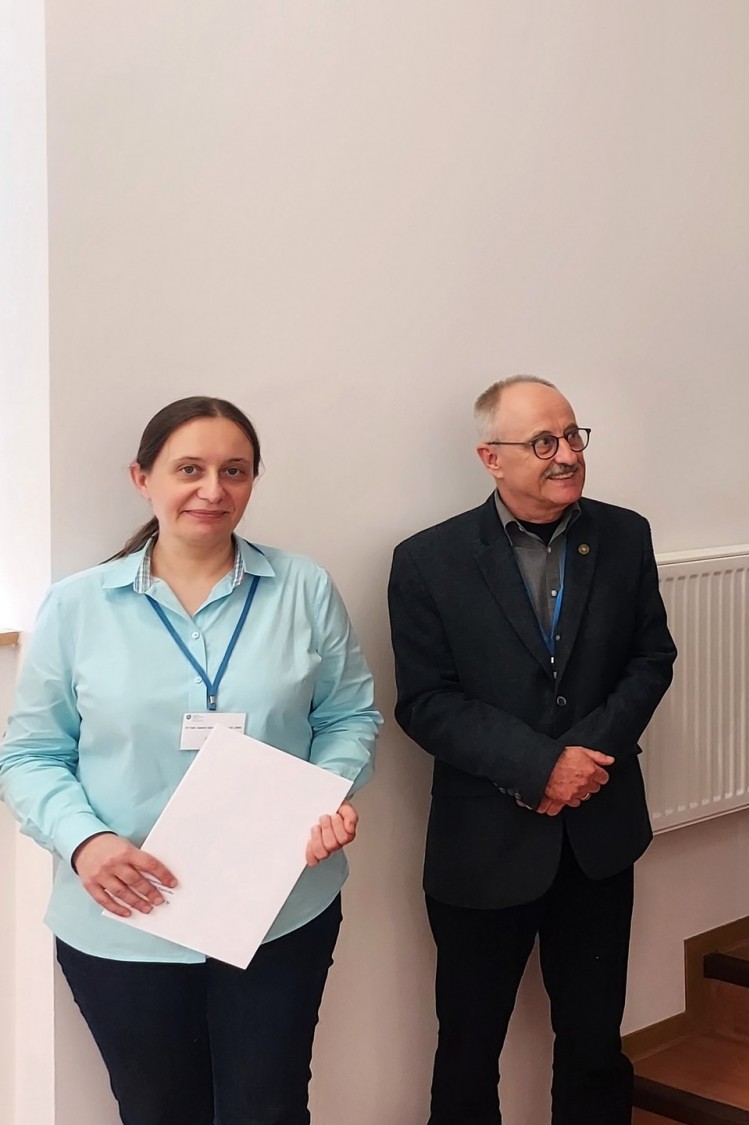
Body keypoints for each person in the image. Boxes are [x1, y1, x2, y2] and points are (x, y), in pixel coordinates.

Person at [0, 396, 381, 1125]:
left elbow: (349, 716)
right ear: (142, 477)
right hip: (125, 918)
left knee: (269, 1108)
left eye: (234, 471)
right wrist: (84, 841)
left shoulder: (302, 588)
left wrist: (325, 794)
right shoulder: (77, 606)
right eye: (189, 469)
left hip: (278, 909)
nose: (213, 489)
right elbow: (30, 754)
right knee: (158, 1110)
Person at [388, 375, 676, 1125]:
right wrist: (541, 766)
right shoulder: (427, 560)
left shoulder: (625, 536)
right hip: (483, 844)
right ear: (491, 457)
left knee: (594, 1043)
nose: (567, 454)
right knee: (467, 1050)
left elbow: (651, 659)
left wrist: (581, 762)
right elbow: (426, 701)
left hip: (597, 838)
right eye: (543, 442)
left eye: (573, 435)